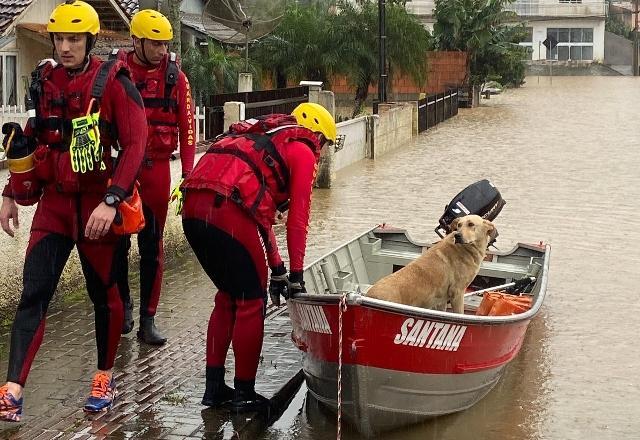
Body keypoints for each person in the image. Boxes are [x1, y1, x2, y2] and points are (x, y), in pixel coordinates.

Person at [0, 0, 147, 421]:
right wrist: (11, 190)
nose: (65, 47)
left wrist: (113, 198)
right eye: (60, 38)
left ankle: (104, 376)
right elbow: (31, 136)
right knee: (33, 293)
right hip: (56, 207)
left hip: (100, 207)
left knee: (106, 296)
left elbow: (137, 144)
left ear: (90, 40)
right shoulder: (45, 82)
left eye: (74, 39)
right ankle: (13, 389)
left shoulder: (116, 84)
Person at [180, 103, 341, 412]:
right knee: (251, 302)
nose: (322, 151)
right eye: (325, 143)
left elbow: (259, 214)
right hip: (225, 211)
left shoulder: (261, 139)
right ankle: (244, 394)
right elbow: (298, 221)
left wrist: (277, 268)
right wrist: (296, 276)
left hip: (192, 209)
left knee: (228, 295)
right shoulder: (303, 150)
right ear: (317, 135)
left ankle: (213, 388)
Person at [112, 9, 196, 345]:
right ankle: (124, 307)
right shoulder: (116, 73)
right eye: (155, 44)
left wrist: (188, 175)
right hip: (121, 168)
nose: (162, 50)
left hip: (158, 169)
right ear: (136, 41)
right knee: (116, 244)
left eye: (165, 44)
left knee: (152, 247)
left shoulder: (176, 77)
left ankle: (148, 319)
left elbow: (188, 129)